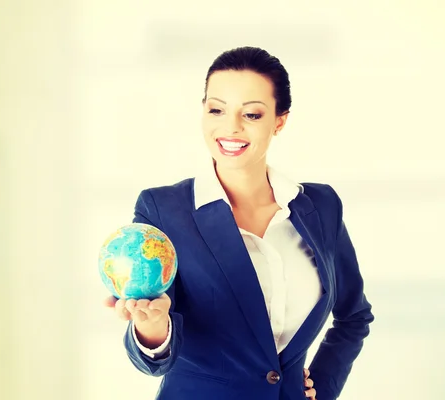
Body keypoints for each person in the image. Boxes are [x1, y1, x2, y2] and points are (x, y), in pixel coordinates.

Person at [104, 46, 374, 400]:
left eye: (252, 114)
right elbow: (153, 356)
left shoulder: (320, 207)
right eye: (216, 109)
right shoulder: (163, 209)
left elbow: (354, 316)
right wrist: (152, 329)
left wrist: (321, 387)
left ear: (280, 120)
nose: (230, 127)